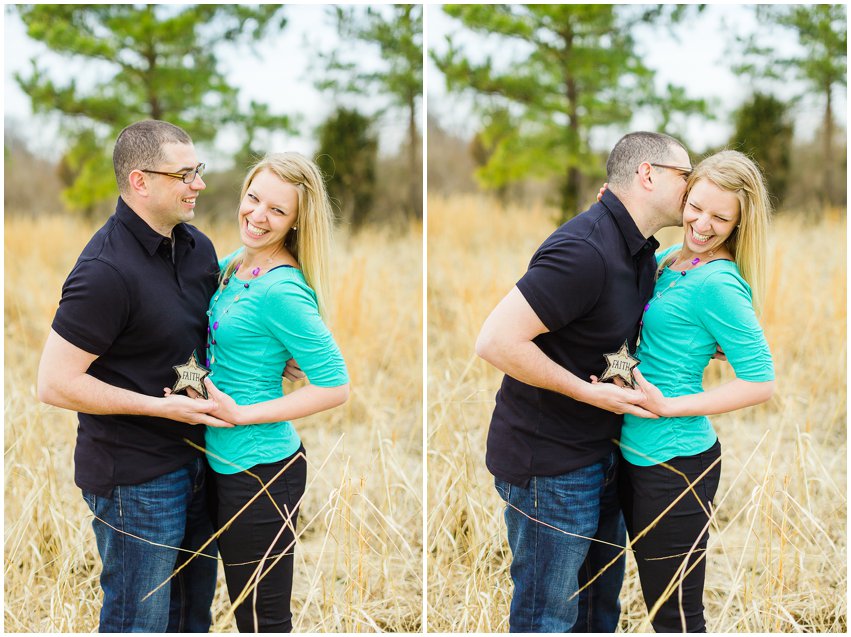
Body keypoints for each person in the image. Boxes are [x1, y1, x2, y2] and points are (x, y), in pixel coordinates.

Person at [476, 131, 693, 632]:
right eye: (685, 175)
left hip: (601, 455)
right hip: (549, 466)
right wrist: (586, 390)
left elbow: (609, 335)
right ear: (648, 174)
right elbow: (495, 341)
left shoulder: (638, 249)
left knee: (598, 614)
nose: (692, 186)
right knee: (546, 619)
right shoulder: (585, 250)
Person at [37, 119, 230, 632]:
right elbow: (53, 382)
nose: (199, 185)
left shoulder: (198, 249)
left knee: (192, 618)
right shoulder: (104, 270)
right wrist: (159, 406)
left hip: (200, 463)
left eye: (199, 171)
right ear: (140, 181)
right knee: (137, 623)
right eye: (184, 174)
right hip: (135, 481)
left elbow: (194, 344)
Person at [165, 152, 350, 632]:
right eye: (253, 198)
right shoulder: (233, 266)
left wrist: (242, 414)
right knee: (233, 605)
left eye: (277, 211)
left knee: (261, 619)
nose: (257, 215)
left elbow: (335, 386)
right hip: (220, 462)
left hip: (263, 470)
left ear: (294, 223)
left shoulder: (282, 290)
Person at [614, 150, 774, 632]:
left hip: (676, 464)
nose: (702, 224)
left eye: (721, 217)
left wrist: (668, 407)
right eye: (696, 206)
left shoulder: (718, 283)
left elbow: (761, 382)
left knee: (676, 616)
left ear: (740, 224)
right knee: (646, 597)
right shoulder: (668, 260)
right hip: (630, 452)